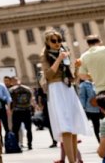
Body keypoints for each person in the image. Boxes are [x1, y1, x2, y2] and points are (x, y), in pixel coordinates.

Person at [40, 29, 92, 163]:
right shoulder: (45, 54)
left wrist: (77, 68)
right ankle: (71, 161)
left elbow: (73, 78)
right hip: (56, 89)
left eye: (59, 40)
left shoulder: (65, 53)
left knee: (73, 128)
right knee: (66, 128)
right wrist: (59, 59)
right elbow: (48, 75)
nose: (57, 43)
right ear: (47, 42)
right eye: (53, 41)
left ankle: (73, 160)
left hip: (68, 89)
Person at [8, 77, 34, 149]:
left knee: (15, 129)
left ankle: (17, 144)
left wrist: (10, 110)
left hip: (17, 111)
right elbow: (31, 99)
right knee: (29, 129)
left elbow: (10, 101)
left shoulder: (11, 90)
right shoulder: (28, 89)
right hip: (27, 110)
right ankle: (30, 144)